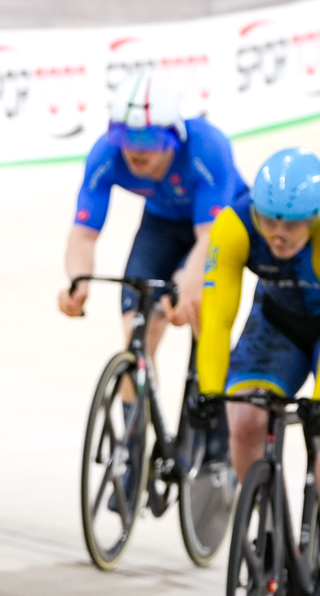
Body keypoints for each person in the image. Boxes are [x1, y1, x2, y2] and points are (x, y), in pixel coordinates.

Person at [195, 147, 320, 596]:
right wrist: (208, 387)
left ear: (318, 217)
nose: (279, 234)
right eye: (270, 221)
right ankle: (269, 521)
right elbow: (217, 316)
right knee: (243, 417)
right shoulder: (235, 224)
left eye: (294, 224)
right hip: (278, 319)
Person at [56, 72, 245, 373]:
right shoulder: (106, 155)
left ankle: (214, 405)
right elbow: (83, 235)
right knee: (136, 336)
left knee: (202, 315)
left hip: (220, 225)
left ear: (172, 137)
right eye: (125, 138)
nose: (135, 150)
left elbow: (210, 234)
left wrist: (188, 278)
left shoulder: (207, 148)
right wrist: (78, 281)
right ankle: (137, 415)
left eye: (148, 139)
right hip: (162, 221)